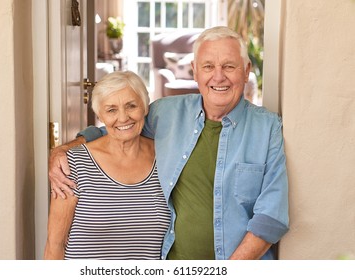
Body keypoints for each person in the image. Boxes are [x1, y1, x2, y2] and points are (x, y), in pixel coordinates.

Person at [48, 26, 289, 260]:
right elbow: (122, 126)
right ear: (195, 71)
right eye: (208, 66)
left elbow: (271, 218)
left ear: (246, 71)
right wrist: (65, 149)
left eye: (229, 66)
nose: (218, 76)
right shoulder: (167, 113)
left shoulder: (268, 128)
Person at [44, 71, 171, 259]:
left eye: (131, 106)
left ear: (145, 107)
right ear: (100, 115)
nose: (123, 118)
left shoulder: (168, 158)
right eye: (111, 110)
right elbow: (55, 244)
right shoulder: (74, 164)